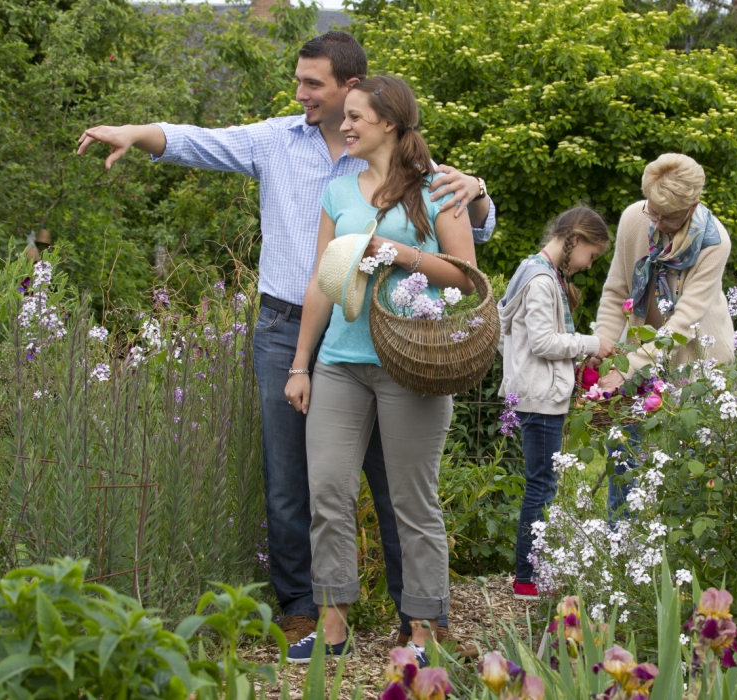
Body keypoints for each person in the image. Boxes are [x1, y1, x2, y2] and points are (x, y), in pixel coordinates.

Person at [75, 32, 496, 647]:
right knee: (297, 480)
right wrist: (137, 133)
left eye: (313, 83)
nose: (301, 93)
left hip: (399, 343)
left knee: (398, 487)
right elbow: (201, 142)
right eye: (299, 81)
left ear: (356, 95)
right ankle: (308, 610)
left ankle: (420, 622)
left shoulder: (416, 170)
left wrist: (478, 190)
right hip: (294, 332)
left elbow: (470, 241)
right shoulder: (283, 144)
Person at [284, 75, 472, 665]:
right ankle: (333, 628)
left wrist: (397, 254)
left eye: (357, 117)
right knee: (328, 492)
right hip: (341, 363)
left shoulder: (437, 190)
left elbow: (466, 275)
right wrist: (301, 364)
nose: (345, 124)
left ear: (389, 123)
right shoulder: (338, 194)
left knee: (414, 502)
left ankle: (421, 635)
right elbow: (323, 281)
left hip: (411, 365)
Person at [591, 153, 734, 516]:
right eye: (652, 211)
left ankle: (678, 557)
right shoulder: (633, 220)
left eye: (667, 217)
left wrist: (629, 367)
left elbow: (683, 323)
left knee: (688, 466)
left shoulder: (714, 243)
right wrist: (604, 351)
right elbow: (616, 292)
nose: (656, 221)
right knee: (623, 453)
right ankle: (620, 544)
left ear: (692, 206)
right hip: (641, 351)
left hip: (696, 359)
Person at [496, 207, 614, 600]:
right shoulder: (543, 280)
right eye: (592, 255)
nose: (589, 264)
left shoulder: (534, 271)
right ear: (575, 239)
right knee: (542, 486)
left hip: (536, 391)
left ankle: (531, 573)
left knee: (541, 483)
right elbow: (543, 342)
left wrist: (579, 355)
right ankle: (528, 578)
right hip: (541, 397)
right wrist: (591, 344)